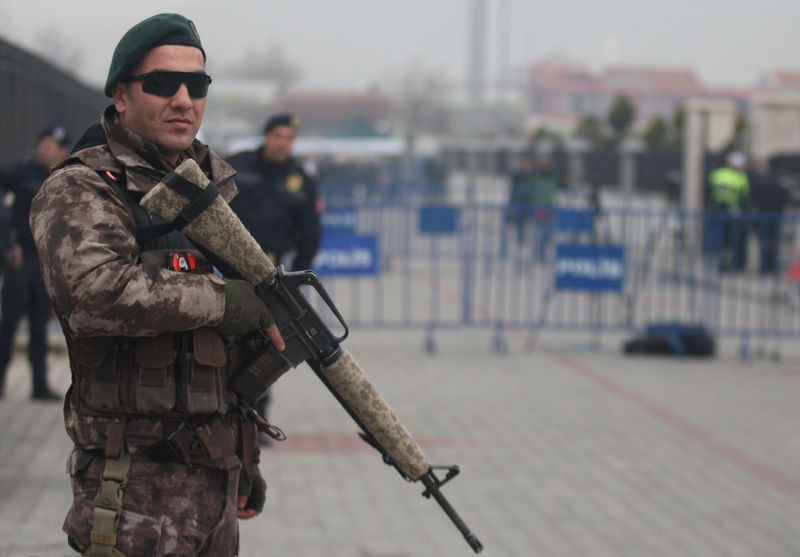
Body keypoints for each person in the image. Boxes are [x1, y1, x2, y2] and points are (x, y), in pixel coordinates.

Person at [29, 14, 285, 556]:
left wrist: (244, 459)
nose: (184, 99)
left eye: (197, 85)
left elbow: (226, 353)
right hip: (133, 493)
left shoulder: (209, 191)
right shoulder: (82, 187)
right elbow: (94, 295)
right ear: (120, 96)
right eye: (162, 83)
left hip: (214, 485)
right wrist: (224, 301)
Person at [227, 113, 321, 437]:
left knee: (267, 348)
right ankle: (224, 411)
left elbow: (311, 231)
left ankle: (255, 416)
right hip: (231, 269)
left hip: (274, 274)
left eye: (289, 137)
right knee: (227, 342)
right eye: (278, 135)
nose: (283, 142)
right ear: (267, 136)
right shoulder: (238, 165)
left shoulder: (300, 178)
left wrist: (299, 279)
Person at [0, 126, 69, 400]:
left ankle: (39, 385)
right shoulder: (23, 172)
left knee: (40, 327)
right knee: (8, 325)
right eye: (42, 143)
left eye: (50, 144)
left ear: (62, 150)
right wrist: (7, 244)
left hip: (46, 266)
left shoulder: (67, 179)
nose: (44, 148)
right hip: (20, 263)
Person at [707, 151, 750, 271]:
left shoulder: (716, 174)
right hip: (731, 211)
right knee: (729, 240)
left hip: (716, 210)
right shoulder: (741, 177)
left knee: (719, 239)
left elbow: (708, 191)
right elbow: (744, 197)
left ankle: (717, 263)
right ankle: (726, 264)